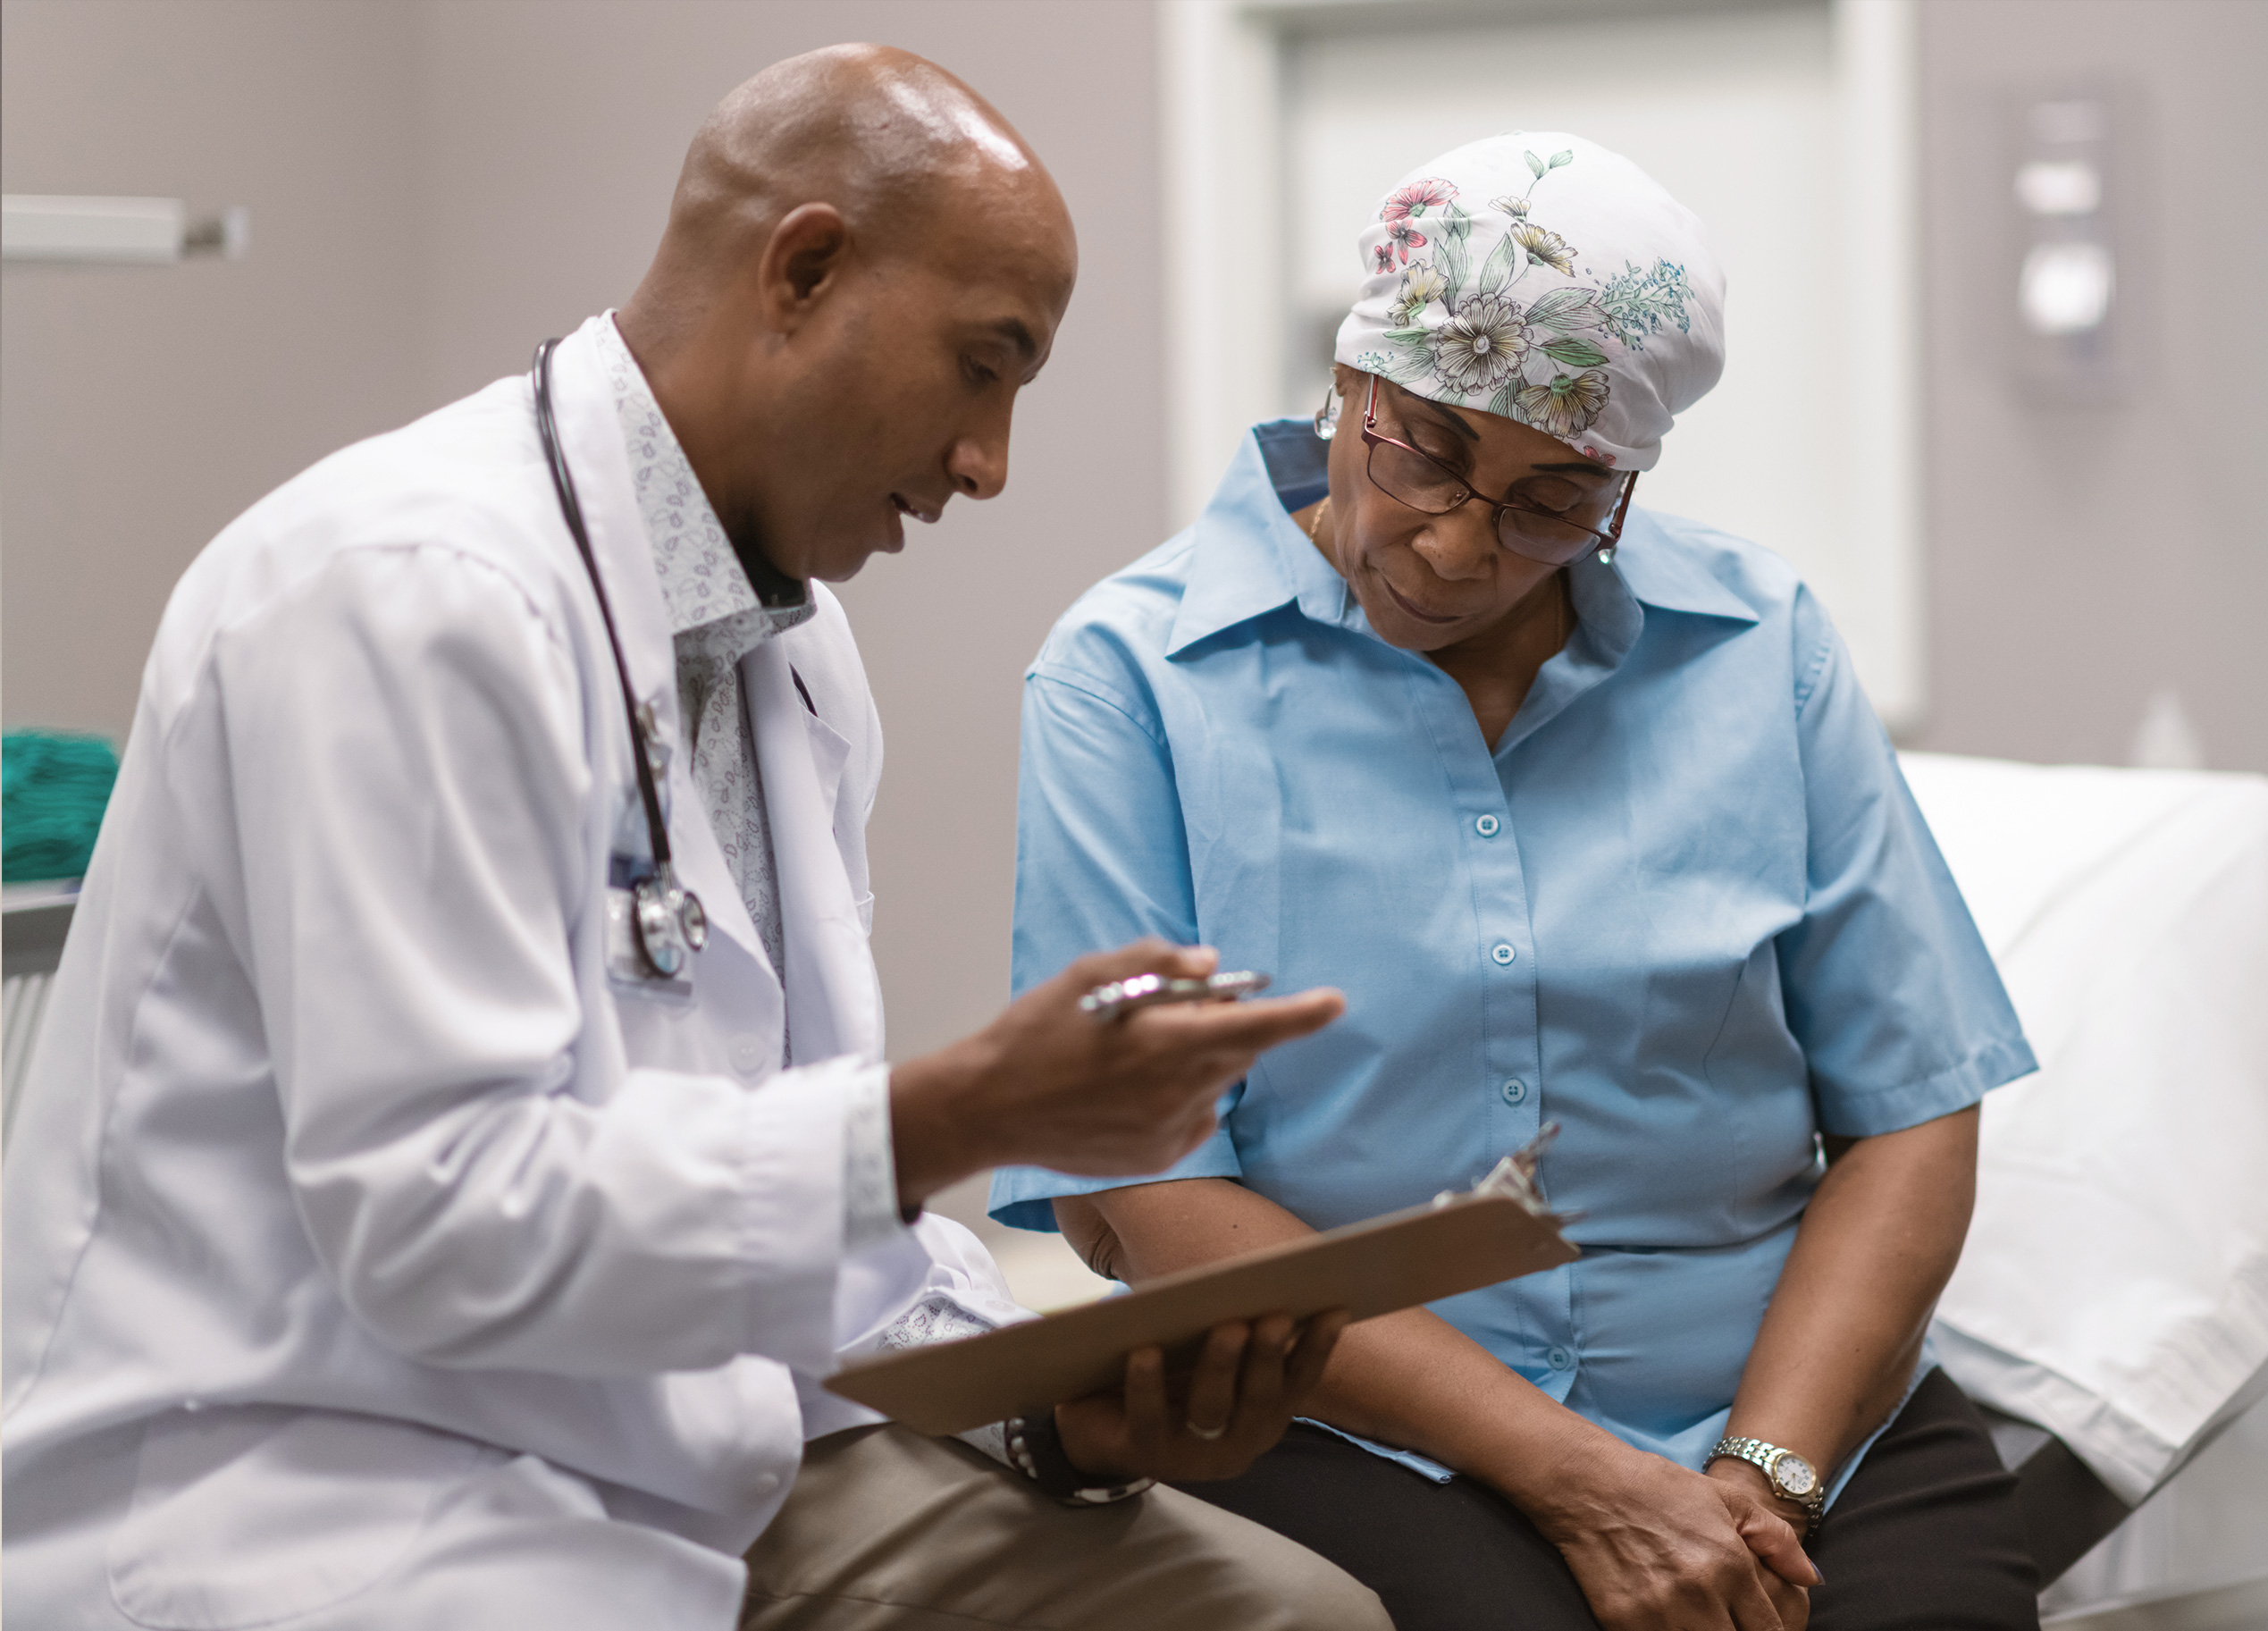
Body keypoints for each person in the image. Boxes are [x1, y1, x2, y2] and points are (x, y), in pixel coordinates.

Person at [0, 46, 1393, 1631]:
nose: (987, 464)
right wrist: (952, 1110)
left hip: (702, 1455)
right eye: (982, 365)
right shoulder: (406, 591)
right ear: (802, 267)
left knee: (1294, 1618)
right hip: (314, 1483)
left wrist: (1052, 1410)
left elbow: (771, 1177)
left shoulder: (790, 651)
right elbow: (440, 1222)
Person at [993, 133, 2047, 1631]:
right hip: (1347, 1416)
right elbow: (1155, 1193)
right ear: (1351, 377)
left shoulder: (1760, 648)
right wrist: (1584, 1481)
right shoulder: (1133, 679)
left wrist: (1763, 1476)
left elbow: (1913, 1113)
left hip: (1781, 1410)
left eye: (1552, 499)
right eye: (1422, 446)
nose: (1455, 540)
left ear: (1624, 480)